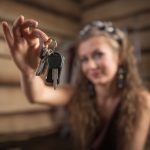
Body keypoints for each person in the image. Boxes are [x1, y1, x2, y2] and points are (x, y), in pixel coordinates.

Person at [2, 15, 150, 150]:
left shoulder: (141, 101)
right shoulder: (77, 93)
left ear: (120, 57)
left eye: (98, 55)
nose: (90, 65)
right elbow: (37, 95)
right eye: (84, 59)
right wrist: (28, 72)